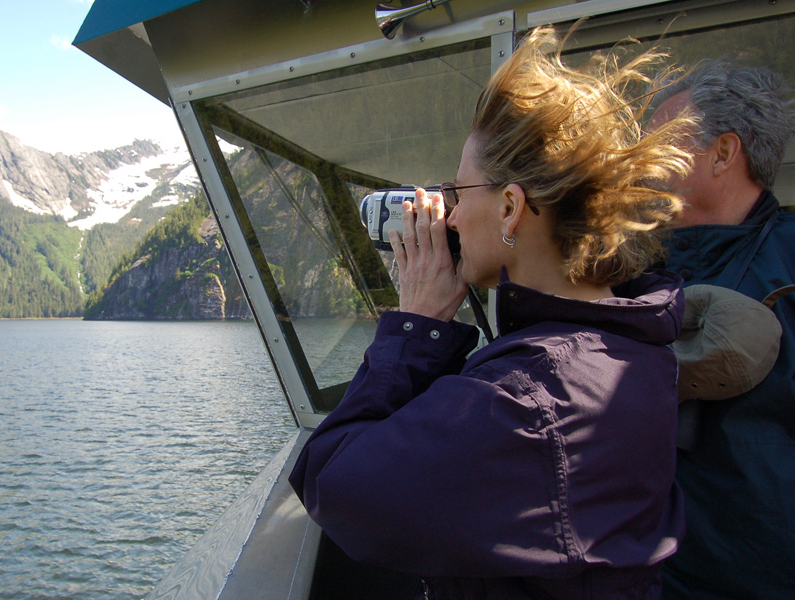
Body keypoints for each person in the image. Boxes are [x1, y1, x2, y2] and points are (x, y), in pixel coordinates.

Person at [289, 28, 693, 599]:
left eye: (459, 193)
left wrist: (418, 324)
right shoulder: (628, 344)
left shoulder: (528, 399)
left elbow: (332, 483)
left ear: (510, 207)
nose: (450, 218)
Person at [649, 60, 795, 599]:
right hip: (648, 576)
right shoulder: (630, 268)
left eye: (663, 138)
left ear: (724, 152)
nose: (640, 159)